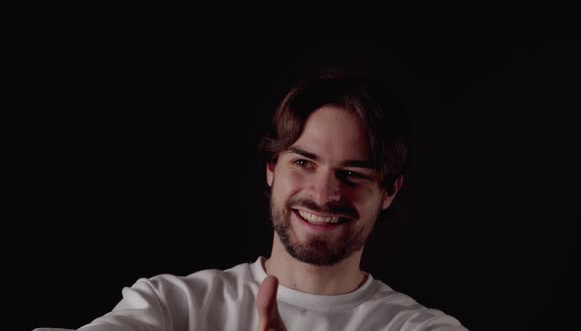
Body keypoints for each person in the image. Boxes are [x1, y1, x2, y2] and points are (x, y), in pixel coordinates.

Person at [34, 69, 468, 331]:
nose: (323, 194)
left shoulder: (419, 327)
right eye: (303, 162)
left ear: (390, 191)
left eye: (352, 173)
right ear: (271, 169)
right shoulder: (174, 306)